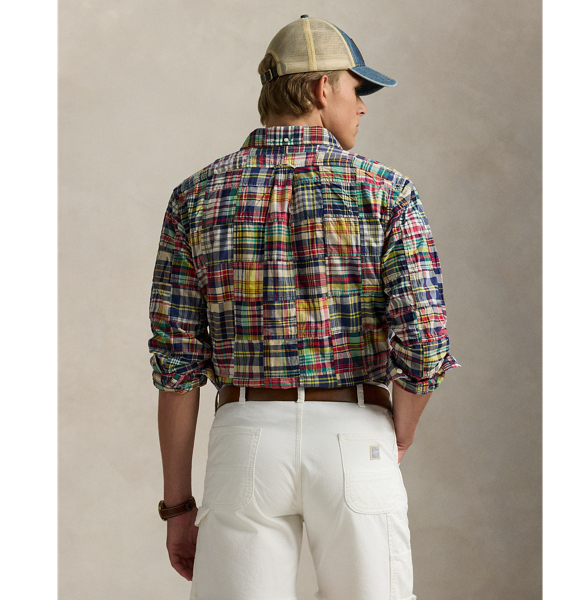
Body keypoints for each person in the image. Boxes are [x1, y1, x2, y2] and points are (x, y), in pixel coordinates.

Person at [149, 15, 458, 600]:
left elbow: (176, 364)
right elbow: (425, 341)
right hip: (354, 432)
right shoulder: (387, 192)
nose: (361, 106)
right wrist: (399, 436)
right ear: (321, 89)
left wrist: (178, 507)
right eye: (356, 89)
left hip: (245, 437)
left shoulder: (195, 196)